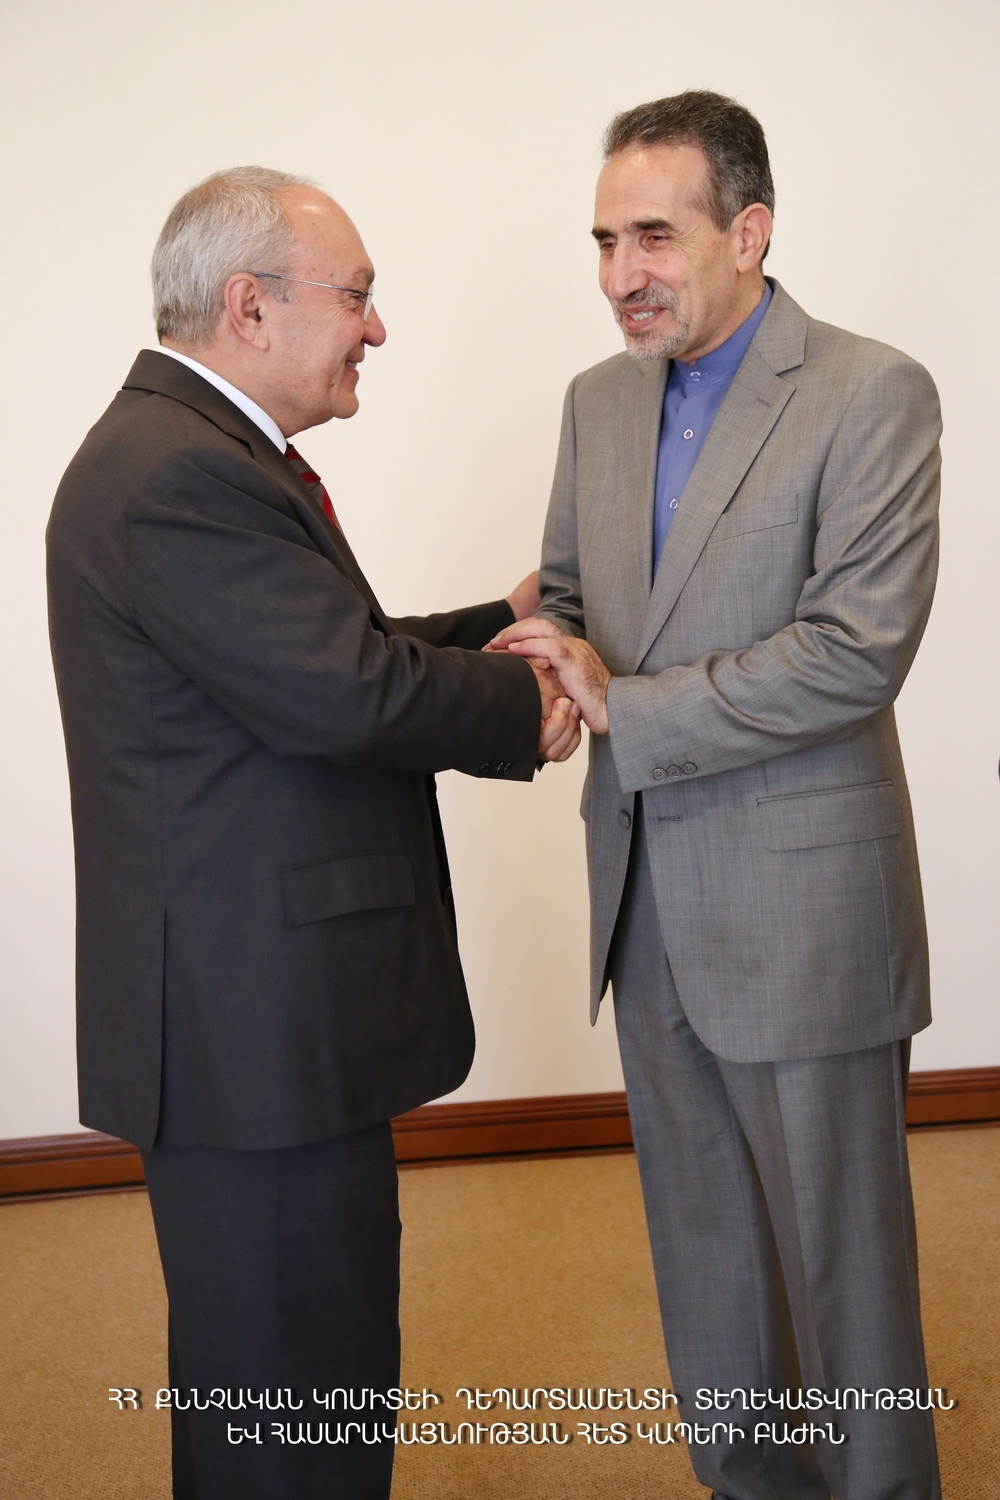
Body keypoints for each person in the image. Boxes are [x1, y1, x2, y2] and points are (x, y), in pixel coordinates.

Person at [46, 166, 579, 1500]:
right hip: (251, 1033)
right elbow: (346, 692)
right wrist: (526, 702)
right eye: (357, 296)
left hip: (259, 1025)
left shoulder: (189, 453)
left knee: (276, 1381)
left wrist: (500, 623)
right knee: (292, 1403)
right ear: (250, 306)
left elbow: (328, 654)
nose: (375, 328)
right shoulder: (176, 474)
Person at [491, 92, 942, 1499]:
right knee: (705, 1256)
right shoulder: (597, 400)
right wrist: (548, 662)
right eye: (603, 240)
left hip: (806, 912)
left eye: (653, 235)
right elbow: (574, 594)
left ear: (748, 233)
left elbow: (854, 654)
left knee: (842, 1271)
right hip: (643, 902)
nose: (621, 272)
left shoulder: (872, 392)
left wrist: (624, 703)